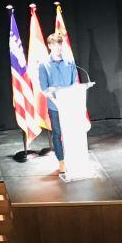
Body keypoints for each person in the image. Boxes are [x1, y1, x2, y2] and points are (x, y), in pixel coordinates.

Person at [38, 32, 79, 175]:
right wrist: (58, 103)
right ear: (49, 46)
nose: (58, 47)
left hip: (70, 105)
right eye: (55, 44)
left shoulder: (70, 62)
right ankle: (61, 161)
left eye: (60, 44)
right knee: (57, 133)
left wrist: (71, 101)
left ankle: (73, 158)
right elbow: (44, 89)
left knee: (72, 132)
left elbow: (75, 83)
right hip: (55, 106)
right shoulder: (44, 65)